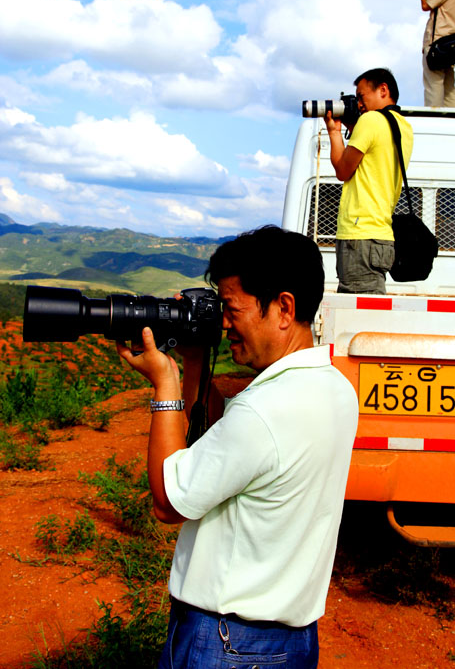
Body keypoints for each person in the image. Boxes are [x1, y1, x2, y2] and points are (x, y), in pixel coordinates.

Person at [116, 225, 358, 669]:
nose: (223, 323)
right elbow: (218, 442)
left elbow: (170, 503)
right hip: (291, 641)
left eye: (231, 308)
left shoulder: (263, 411)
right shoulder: (335, 390)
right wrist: (192, 361)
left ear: (283, 307)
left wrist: (164, 384)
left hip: (227, 642)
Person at [324, 67, 414, 294]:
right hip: (380, 235)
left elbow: (343, 170)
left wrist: (334, 132)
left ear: (383, 90)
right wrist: (354, 128)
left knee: (358, 314)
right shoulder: (403, 126)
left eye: (362, 97)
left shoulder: (371, 120)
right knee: (369, 307)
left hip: (360, 234)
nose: (359, 104)